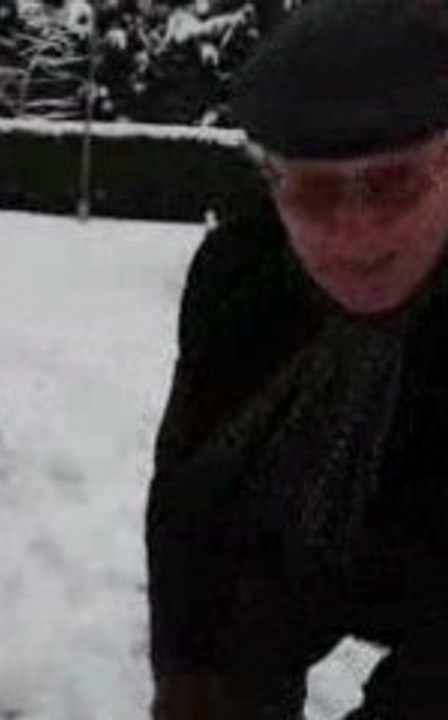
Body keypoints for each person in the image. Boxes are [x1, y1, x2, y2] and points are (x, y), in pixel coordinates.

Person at [145, 0, 448, 717]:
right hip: (305, 536)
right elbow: (190, 505)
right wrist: (193, 689)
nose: (357, 234)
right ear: (272, 181)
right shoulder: (236, 276)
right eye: (314, 190)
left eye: (393, 183)